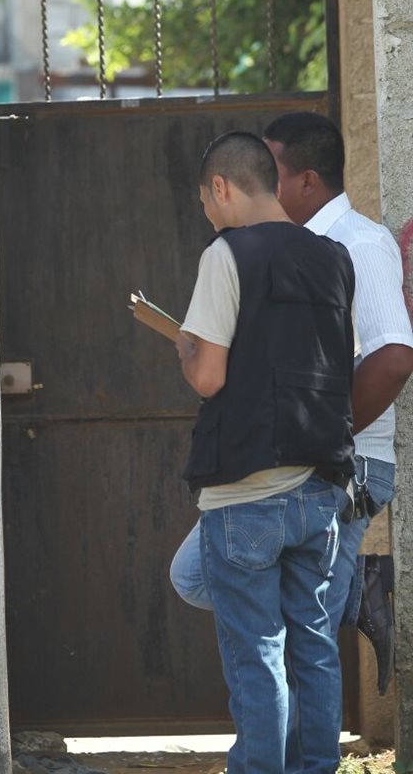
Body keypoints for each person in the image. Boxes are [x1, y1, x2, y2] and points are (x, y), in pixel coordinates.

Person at [169, 113, 413, 694]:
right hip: (292, 461)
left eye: (270, 170)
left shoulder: (357, 243)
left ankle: (351, 593)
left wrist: (325, 430)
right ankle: (349, 590)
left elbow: (395, 356)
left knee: (305, 636)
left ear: (306, 181)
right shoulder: (280, 251)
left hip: (345, 463)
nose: (258, 184)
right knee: (202, 579)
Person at [176, 131, 355, 773]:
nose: (208, 214)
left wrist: (183, 344)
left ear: (221, 188)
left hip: (245, 495)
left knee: (257, 656)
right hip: (319, 487)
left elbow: (208, 378)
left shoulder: (228, 254)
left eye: (206, 202)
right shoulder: (335, 258)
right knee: (313, 648)